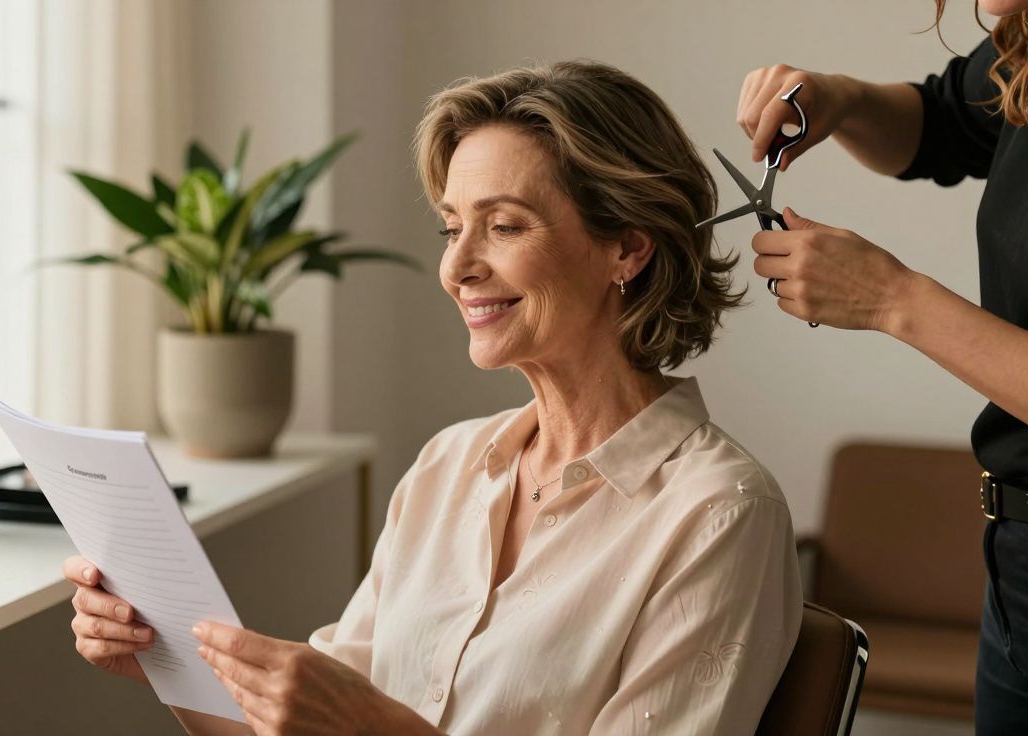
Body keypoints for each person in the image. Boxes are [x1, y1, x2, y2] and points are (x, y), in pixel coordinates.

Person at [63, 60, 802, 735]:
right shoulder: (448, 466)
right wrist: (166, 659)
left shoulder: (722, 513)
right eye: (452, 228)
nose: (458, 267)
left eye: (504, 226)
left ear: (628, 249)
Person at [732, 1, 1028, 732]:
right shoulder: (1023, 50)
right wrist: (841, 97)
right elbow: (936, 126)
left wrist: (892, 299)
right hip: (1015, 573)